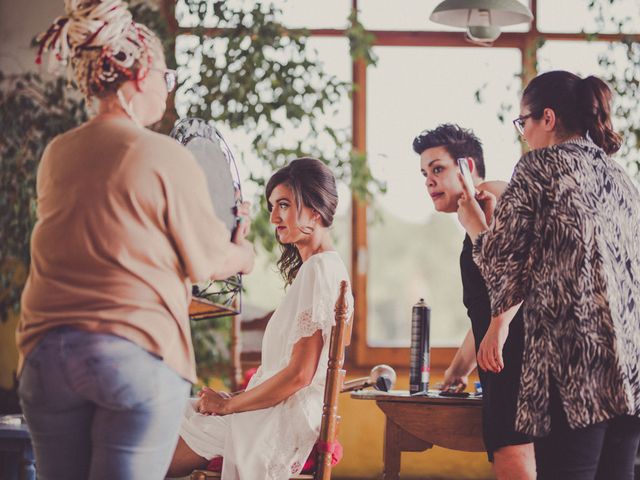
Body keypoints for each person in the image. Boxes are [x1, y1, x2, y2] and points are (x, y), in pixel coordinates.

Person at [17, 1, 255, 479]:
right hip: (131, 354)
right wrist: (244, 252)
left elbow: (109, 240)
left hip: (45, 355)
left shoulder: (57, 154)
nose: (168, 92)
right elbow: (208, 259)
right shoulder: (162, 154)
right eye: (167, 78)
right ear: (141, 73)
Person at [457, 70, 640, 479]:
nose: (523, 134)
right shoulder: (621, 178)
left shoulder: (538, 167)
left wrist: (473, 224)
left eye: (523, 122)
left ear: (548, 118)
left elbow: (505, 266)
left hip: (573, 371)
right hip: (631, 370)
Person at [166, 157, 352, 479]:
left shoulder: (319, 270)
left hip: (276, 424)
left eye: (284, 204)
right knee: (176, 411)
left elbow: (299, 375)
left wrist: (228, 406)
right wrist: (232, 399)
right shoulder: (324, 269)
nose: (274, 216)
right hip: (273, 413)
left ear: (315, 208)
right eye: (271, 206)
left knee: (144, 445)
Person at [412, 124, 535, 478]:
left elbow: (518, 281)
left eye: (438, 169)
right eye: (424, 173)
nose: (429, 181)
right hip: (502, 366)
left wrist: (482, 201)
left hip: (517, 368)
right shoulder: (473, 223)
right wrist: (456, 372)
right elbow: (485, 311)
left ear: (466, 166)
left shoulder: (493, 204)